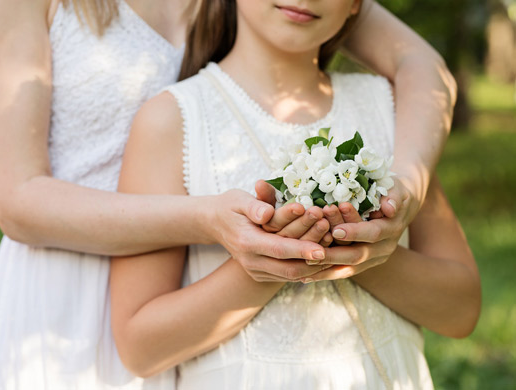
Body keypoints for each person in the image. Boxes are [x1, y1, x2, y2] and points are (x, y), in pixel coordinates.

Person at [0, 0, 457, 388]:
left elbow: (422, 66)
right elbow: (16, 200)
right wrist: (214, 222)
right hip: (64, 300)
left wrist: (404, 190)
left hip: (196, 297)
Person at [110, 0, 481, 388]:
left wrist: (361, 246)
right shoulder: (173, 121)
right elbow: (140, 348)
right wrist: (276, 258)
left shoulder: (393, 111)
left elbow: (461, 309)